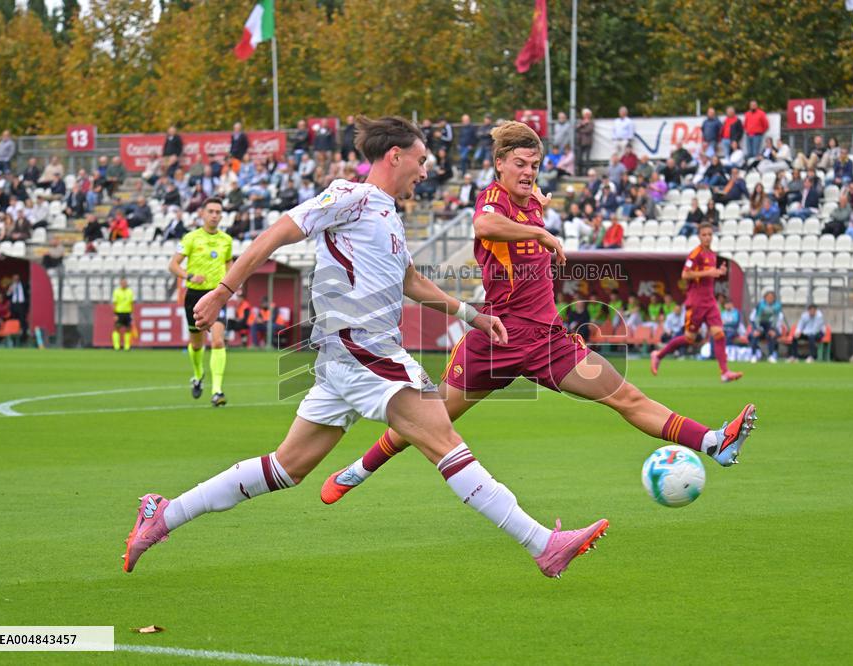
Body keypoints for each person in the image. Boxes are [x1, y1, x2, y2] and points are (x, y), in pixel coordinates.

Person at [124, 116, 610, 579]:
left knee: (285, 467)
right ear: (394, 156)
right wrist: (223, 291)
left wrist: (472, 314)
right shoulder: (350, 197)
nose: (426, 171)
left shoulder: (388, 218)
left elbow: (412, 282)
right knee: (443, 439)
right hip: (364, 352)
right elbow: (275, 234)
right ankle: (543, 544)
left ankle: (163, 515)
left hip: (346, 360)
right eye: (421, 161)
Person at [318, 120, 756, 516]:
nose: (529, 172)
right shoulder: (493, 199)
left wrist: (537, 212)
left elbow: (523, 216)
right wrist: (540, 231)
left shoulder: (531, 202)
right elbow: (485, 227)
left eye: (535, 164)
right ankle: (359, 469)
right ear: (500, 166)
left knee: (626, 396)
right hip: (497, 337)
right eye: (520, 164)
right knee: (428, 419)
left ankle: (712, 442)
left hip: (548, 340)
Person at [651, 224, 743, 383]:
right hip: (696, 302)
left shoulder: (713, 255)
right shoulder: (695, 254)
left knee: (719, 334)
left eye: (709, 234)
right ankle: (659, 355)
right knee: (689, 339)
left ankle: (724, 372)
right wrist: (709, 272)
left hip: (710, 301)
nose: (707, 237)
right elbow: (685, 274)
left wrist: (719, 273)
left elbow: (709, 276)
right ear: (699, 236)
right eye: (704, 234)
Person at [168, 198, 233, 407]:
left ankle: (217, 391)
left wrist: (229, 286)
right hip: (195, 296)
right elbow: (173, 265)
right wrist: (188, 276)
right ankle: (198, 375)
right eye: (211, 211)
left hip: (216, 295)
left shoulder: (226, 240)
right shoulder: (191, 238)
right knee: (196, 344)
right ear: (202, 214)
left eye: (218, 212)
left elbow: (229, 263)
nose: (215, 215)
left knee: (217, 341)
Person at [749, 290, 783, 362]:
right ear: (765, 298)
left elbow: (776, 317)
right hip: (757, 322)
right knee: (755, 335)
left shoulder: (777, 306)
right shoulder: (760, 305)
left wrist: (772, 329)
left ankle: (770, 356)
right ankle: (753, 355)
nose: (770, 299)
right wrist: (758, 329)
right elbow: (757, 317)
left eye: (772, 297)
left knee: (771, 335)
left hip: (768, 323)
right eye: (768, 297)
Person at [112, 278, 135, 351]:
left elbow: (131, 303)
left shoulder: (130, 291)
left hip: (127, 312)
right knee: (117, 328)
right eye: (122, 283)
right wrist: (115, 314)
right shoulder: (116, 291)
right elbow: (114, 303)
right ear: (120, 283)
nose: (124, 284)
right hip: (119, 312)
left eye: (125, 282)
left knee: (128, 329)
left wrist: (132, 313)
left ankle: (127, 346)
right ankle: (116, 346)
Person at [7, 274, 29, 345]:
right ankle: (13, 339)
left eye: (17, 278)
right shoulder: (11, 286)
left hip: (21, 305)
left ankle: (24, 338)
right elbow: (7, 296)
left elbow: (28, 293)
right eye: (14, 278)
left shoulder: (23, 285)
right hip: (14, 305)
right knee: (13, 321)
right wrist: (9, 291)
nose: (15, 280)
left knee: (23, 321)